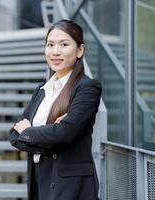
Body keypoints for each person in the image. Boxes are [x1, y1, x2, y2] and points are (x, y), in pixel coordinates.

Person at [9, 19, 102, 200]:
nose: (55, 52)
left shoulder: (87, 88)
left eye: (64, 44)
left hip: (70, 187)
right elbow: (14, 135)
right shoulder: (41, 90)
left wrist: (28, 131)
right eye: (50, 45)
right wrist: (49, 136)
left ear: (80, 50)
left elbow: (63, 133)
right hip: (39, 181)